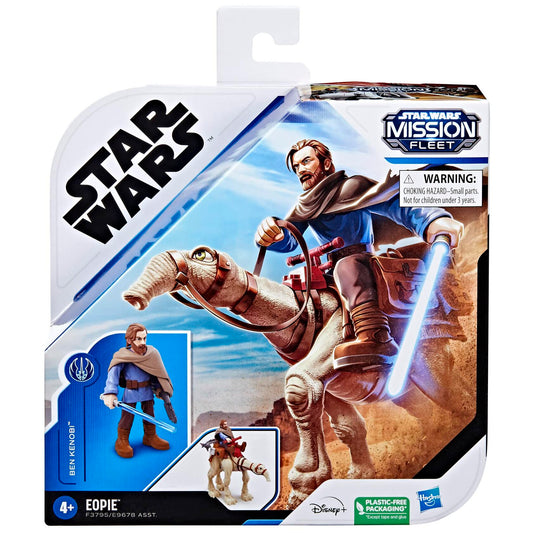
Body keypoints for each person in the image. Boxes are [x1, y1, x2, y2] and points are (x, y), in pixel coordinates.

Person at [255, 139, 463, 371]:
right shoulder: (305, 205)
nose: (300, 170)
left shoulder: (351, 187)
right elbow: (290, 238)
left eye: (306, 161)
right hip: (330, 270)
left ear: (325, 163)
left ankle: (376, 336)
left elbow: (395, 204)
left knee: (347, 266)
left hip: (360, 262)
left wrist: (433, 220)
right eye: (296, 167)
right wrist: (273, 234)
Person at [102, 323, 173, 458]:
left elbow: (155, 373)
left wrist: (159, 389)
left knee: (150, 414)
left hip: (147, 391)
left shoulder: (151, 354)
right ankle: (122, 440)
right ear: (129, 340)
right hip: (131, 391)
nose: (142, 342)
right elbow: (113, 374)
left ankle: (150, 436)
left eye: (144, 338)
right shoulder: (123, 356)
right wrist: (110, 393)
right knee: (127, 417)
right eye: (138, 339)